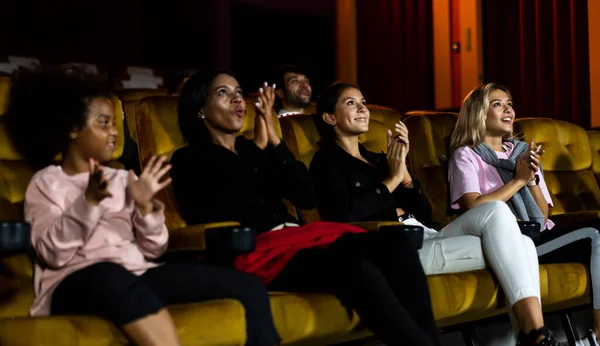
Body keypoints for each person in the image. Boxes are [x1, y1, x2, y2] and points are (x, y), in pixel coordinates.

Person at [5, 69, 280, 346]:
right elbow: (52, 254)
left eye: (114, 123)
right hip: (72, 283)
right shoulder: (48, 182)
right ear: (73, 129)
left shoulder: (124, 179)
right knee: (109, 273)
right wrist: (87, 203)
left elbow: (155, 250)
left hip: (136, 275)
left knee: (248, 286)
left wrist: (146, 207)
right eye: (103, 124)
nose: (114, 133)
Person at [170, 68, 441, 346]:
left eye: (239, 93)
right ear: (200, 109)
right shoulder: (188, 159)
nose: (238, 100)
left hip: (297, 240)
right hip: (257, 252)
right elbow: (216, 209)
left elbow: (306, 196)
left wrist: (274, 141)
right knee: (355, 268)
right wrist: (258, 149)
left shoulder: (255, 149)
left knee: (395, 244)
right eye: (223, 93)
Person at [309, 81, 561, 346]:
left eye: (363, 102)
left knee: (520, 240)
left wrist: (403, 170)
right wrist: (393, 179)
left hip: (428, 234)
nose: (362, 109)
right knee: (504, 222)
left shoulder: (379, 159)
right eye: (351, 103)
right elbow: (346, 214)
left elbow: (423, 210)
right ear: (329, 117)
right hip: (397, 250)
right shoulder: (326, 161)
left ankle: (530, 335)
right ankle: (535, 333)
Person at [449, 82, 600, 346]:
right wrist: (518, 181)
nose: (508, 110)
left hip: (542, 234)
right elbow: (474, 208)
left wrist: (531, 181)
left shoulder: (522, 153)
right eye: (497, 104)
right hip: (513, 242)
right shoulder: (466, 156)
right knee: (598, 231)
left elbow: (542, 217)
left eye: (509, 104)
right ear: (478, 113)